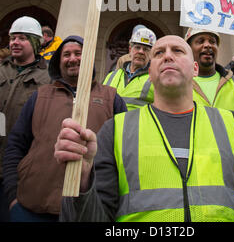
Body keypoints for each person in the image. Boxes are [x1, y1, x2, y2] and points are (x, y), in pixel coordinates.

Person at [54, 35, 234, 222]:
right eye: (159, 53)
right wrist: (82, 184)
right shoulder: (115, 131)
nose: (168, 55)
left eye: (178, 51)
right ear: (150, 73)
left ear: (195, 69)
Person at [3, 35, 127, 222]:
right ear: (58, 62)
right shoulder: (40, 96)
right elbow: (15, 145)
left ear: (89, 59)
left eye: (78, 53)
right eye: (66, 54)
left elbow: (124, 152)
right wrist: (13, 195)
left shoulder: (112, 98)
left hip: (88, 209)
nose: (72, 58)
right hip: (31, 206)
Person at [0, 16, 50, 222]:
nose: (14, 43)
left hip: (18, 169)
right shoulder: (1, 69)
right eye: (12, 38)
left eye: (22, 38)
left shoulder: (48, 79)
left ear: (35, 43)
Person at [103, 26, 157, 110]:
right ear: (130, 50)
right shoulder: (111, 76)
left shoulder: (156, 79)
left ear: (151, 54)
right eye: (137, 47)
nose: (141, 52)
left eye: (146, 49)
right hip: (111, 123)